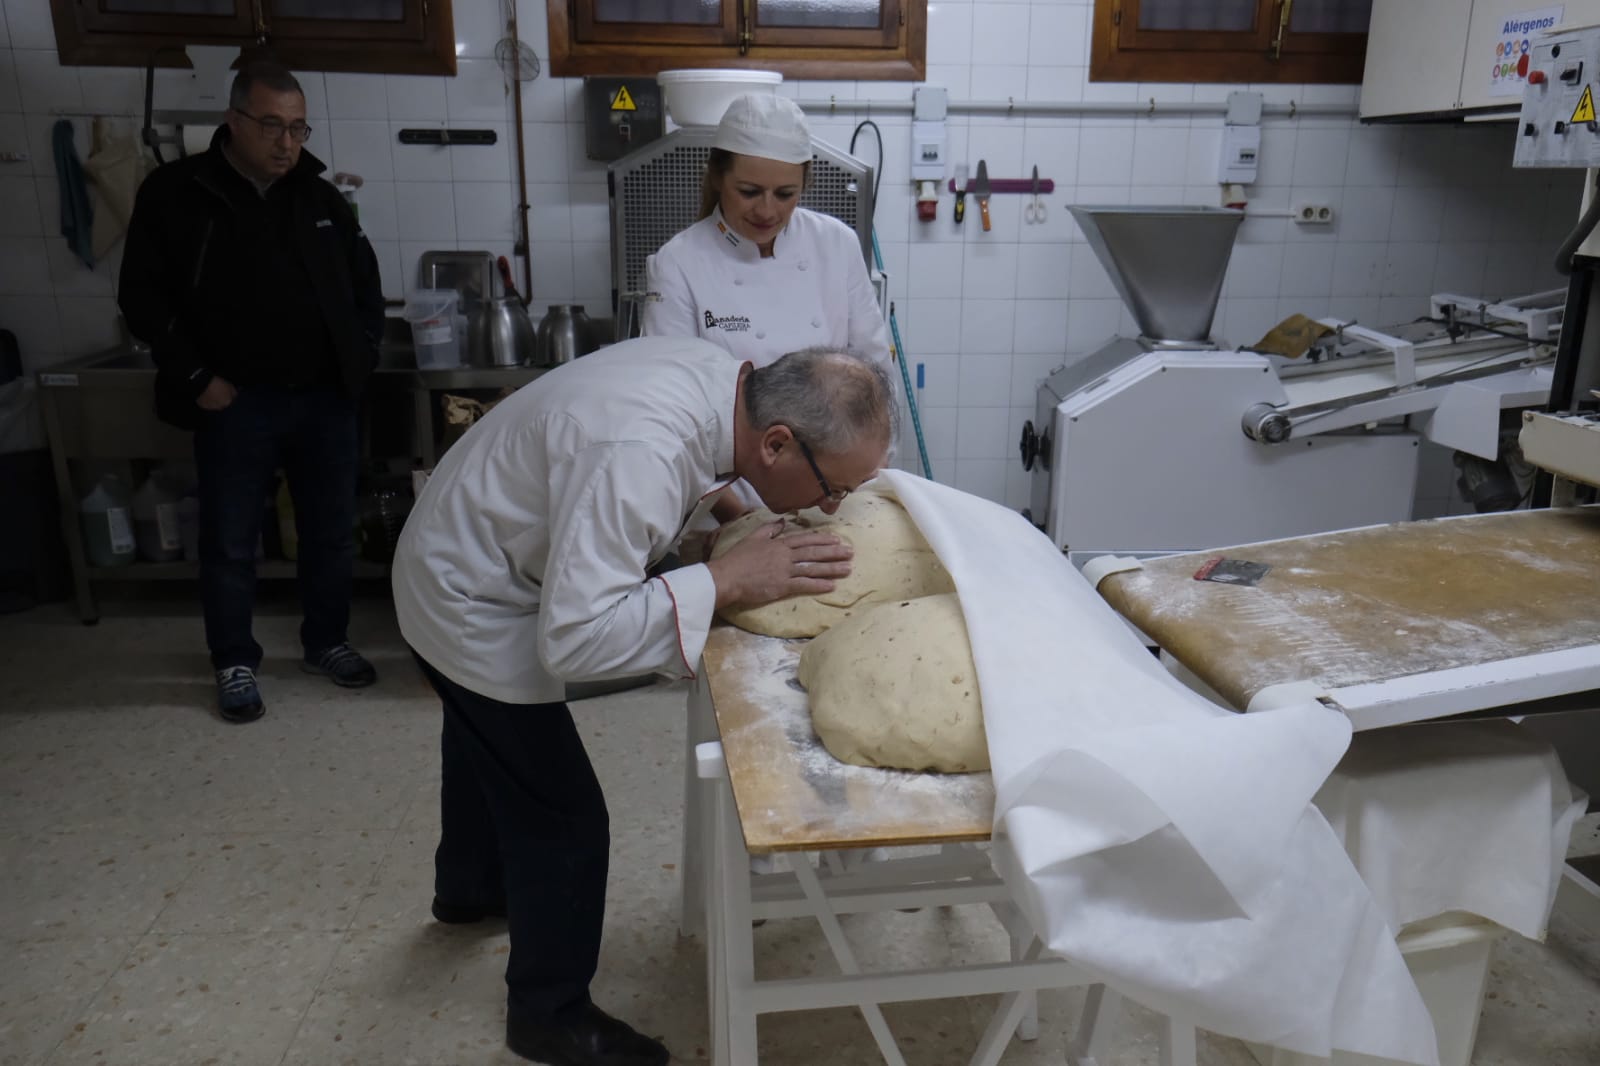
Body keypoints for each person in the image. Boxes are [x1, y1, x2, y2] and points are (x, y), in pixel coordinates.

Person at [390, 336, 894, 1066]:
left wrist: (729, 517)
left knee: (482, 744)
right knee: (563, 817)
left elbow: (686, 474)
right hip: (470, 596)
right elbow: (577, 639)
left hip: (457, 538)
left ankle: (467, 889)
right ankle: (548, 1013)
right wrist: (724, 582)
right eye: (831, 489)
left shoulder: (725, 382)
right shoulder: (639, 452)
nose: (830, 507)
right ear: (776, 444)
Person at [119, 60, 384, 724]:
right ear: (233, 121)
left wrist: (363, 356)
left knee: (329, 535)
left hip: (325, 400)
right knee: (231, 540)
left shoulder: (319, 199)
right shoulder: (178, 193)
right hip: (237, 402)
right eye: (272, 126)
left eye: (297, 128)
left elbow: (364, 288)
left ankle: (327, 641)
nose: (287, 143)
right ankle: (234, 659)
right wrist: (197, 378)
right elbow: (141, 299)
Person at [642, 92, 893, 524]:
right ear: (718, 177)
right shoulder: (679, 262)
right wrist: (741, 523)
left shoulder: (836, 244)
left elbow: (873, 378)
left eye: (785, 194)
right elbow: (671, 416)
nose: (767, 210)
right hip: (726, 501)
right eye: (750, 191)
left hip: (832, 497)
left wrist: (865, 488)